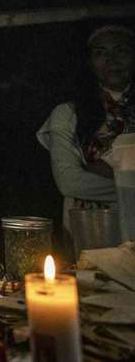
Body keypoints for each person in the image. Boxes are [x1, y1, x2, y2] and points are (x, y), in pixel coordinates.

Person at [37, 24, 135, 236]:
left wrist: (103, 171)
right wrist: (126, 184)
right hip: (92, 228)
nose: (112, 60)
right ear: (90, 63)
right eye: (101, 53)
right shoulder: (68, 114)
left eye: (121, 50)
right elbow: (70, 182)